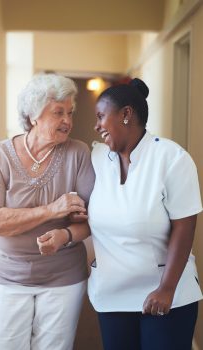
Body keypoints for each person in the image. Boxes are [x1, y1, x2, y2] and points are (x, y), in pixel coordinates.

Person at [0, 73, 95, 350]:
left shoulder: (78, 154)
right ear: (33, 117)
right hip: (7, 275)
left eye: (70, 112)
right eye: (58, 112)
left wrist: (65, 234)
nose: (68, 120)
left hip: (63, 276)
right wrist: (54, 209)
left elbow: (90, 221)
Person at [87, 78, 202, 350]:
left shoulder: (172, 158)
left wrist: (167, 288)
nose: (96, 125)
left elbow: (184, 227)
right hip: (112, 295)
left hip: (163, 294)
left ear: (126, 114)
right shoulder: (98, 159)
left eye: (101, 116)